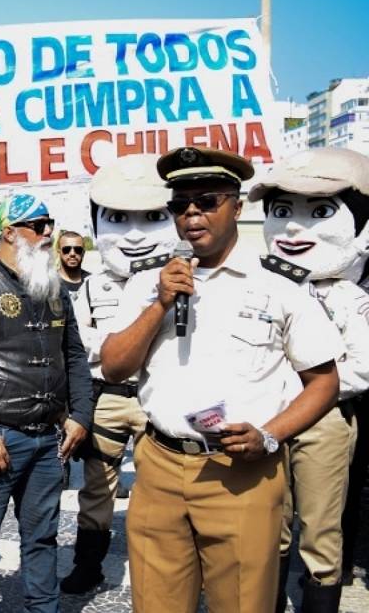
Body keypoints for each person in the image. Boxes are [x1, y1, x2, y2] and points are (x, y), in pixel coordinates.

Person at [100, 146, 343, 613]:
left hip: (242, 474)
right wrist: (159, 304)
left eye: (207, 201)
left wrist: (271, 437)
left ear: (238, 204)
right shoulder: (148, 282)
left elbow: (324, 382)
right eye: (180, 205)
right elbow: (114, 367)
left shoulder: (280, 284)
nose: (192, 215)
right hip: (160, 467)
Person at [0, 192, 93, 613]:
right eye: (38, 225)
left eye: (50, 225)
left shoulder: (54, 287)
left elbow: (75, 354)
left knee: (43, 538)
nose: (48, 233)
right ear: (8, 231)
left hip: (48, 441)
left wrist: (81, 414)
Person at [249, 147, 369, 612]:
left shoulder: (348, 298)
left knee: (320, 525)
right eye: (282, 212)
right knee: (272, 520)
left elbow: (361, 365)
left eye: (320, 212)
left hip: (325, 417)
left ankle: (320, 601)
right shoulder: (264, 285)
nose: (295, 227)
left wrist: (310, 389)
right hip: (270, 418)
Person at [61, 153, 177, 594]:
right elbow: (82, 339)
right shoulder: (93, 285)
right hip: (108, 395)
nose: (133, 234)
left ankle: (163, 569)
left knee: (161, 488)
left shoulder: (178, 278)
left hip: (156, 396)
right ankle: (87, 564)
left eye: (150, 218)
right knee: (96, 487)